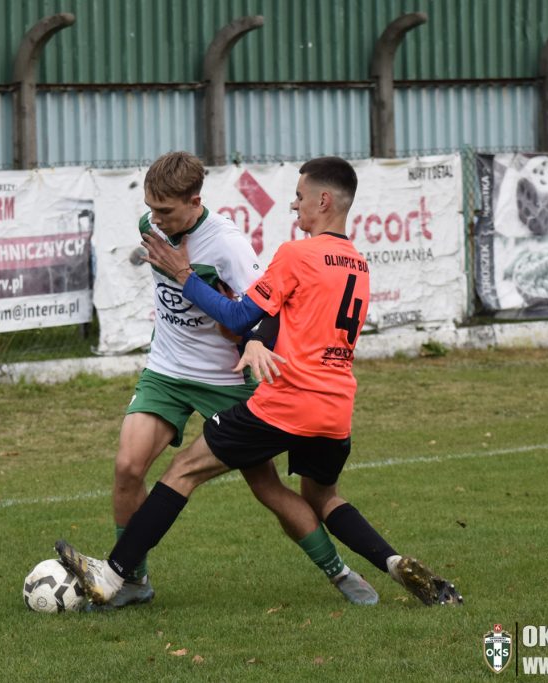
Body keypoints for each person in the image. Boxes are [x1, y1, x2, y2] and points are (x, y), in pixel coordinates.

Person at [57, 156, 462, 607]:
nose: (293, 205)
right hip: (335, 406)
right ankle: (393, 561)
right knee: (324, 497)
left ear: (323, 201)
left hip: (285, 399)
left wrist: (192, 282)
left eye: (300, 197)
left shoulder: (294, 254)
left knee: (184, 470)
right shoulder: (359, 265)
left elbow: (241, 315)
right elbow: (284, 314)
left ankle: (113, 574)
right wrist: (255, 339)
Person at [103, 151, 378, 608]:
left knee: (265, 486)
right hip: (166, 370)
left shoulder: (228, 245)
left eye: (166, 210)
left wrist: (253, 342)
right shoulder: (150, 226)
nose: (156, 219)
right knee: (128, 467)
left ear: (195, 202)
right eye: (151, 209)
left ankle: (339, 572)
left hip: (225, 379)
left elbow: (263, 310)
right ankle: (131, 581)